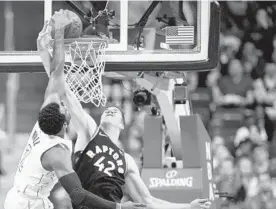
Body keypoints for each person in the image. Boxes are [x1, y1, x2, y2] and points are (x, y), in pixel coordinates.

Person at [38, 9, 212, 209]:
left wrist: (188, 207)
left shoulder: (127, 160)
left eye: (115, 112)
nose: (111, 110)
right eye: (108, 110)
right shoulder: (88, 133)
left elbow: (148, 201)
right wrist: (48, 56)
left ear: (122, 124)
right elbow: (64, 91)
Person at [4, 11, 145, 209]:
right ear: (64, 123)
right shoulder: (56, 153)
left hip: (26, 197)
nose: (63, 103)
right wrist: (119, 207)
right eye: (63, 107)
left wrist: (58, 37)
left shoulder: (46, 119)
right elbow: (78, 195)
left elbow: (57, 73)